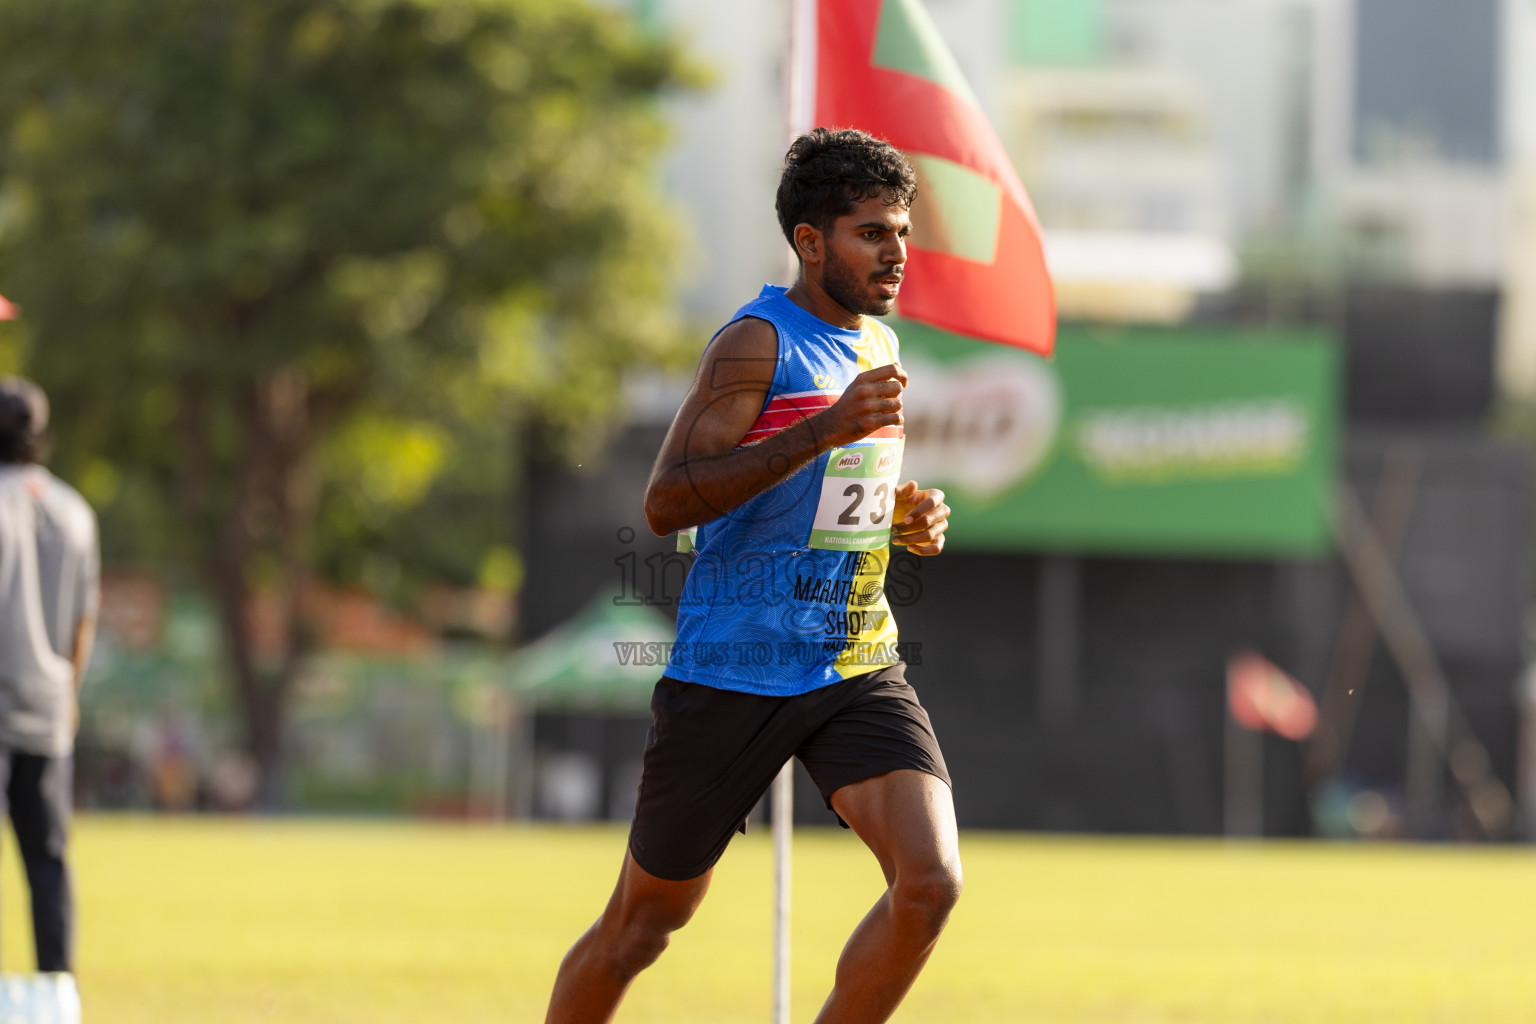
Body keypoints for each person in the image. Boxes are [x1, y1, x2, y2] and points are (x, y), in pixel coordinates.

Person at [545, 128, 960, 1024]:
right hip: (731, 672)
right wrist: (825, 428)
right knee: (641, 928)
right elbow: (667, 502)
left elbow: (839, 499)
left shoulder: (880, 346)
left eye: (902, 231)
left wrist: (904, 518)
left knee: (929, 884)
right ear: (811, 242)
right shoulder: (754, 344)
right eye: (870, 232)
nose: (896, 253)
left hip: (854, 663)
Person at [0, 376, 97, 980]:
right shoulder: (73, 510)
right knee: (48, 860)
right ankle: (56, 993)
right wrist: (70, 696)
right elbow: (84, 620)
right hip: (48, 710)